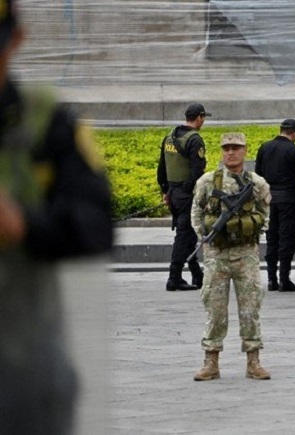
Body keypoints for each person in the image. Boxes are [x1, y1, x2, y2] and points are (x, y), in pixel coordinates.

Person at [0, 0, 114, 432]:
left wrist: (25, 225)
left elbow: (95, 224)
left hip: (22, 373)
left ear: (16, 40)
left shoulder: (47, 122)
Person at [191, 133, 271, 381]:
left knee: (250, 310)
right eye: (226, 148)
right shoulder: (207, 181)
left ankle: (253, 361)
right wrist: (209, 236)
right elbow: (195, 213)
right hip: (217, 255)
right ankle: (210, 361)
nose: (231, 153)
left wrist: (246, 227)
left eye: (236, 148)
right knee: (215, 312)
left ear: (245, 151)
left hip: (246, 255)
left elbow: (265, 215)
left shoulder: (257, 183)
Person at [255, 118, 295, 292]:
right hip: (288, 201)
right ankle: (284, 280)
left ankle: (271, 280)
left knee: (272, 239)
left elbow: (258, 175)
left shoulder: (264, 148)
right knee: (287, 239)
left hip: (268, 200)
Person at [157, 102, 209, 291]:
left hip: (173, 193)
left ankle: (197, 275)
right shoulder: (195, 140)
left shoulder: (169, 137)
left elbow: (161, 168)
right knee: (184, 235)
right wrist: (187, 190)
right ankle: (174, 277)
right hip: (186, 195)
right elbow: (197, 171)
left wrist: (166, 190)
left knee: (187, 235)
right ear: (199, 118)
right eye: (203, 118)